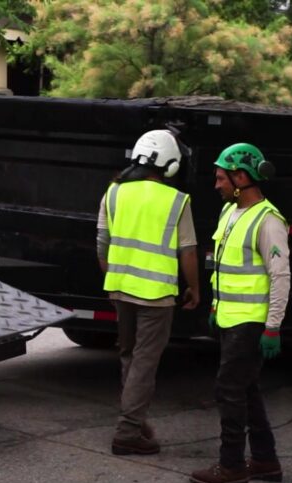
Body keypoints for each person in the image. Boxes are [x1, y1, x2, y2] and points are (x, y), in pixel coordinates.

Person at [190, 143, 289, 483]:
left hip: (251, 321)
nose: (216, 184)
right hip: (230, 317)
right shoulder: (229, 214)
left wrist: (273, 326)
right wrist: (216, 306)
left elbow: (280, 277)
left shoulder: (269, 221)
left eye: (221, 177)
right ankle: (265, 461)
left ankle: (231, 466)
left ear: (241, 177)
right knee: (246, 389)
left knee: (228, 389)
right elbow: (223, 265)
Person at [97, 129, 199, 456]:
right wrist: (194, 288)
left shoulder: (113, 192)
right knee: (144, 362)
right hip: (156, 296)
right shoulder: (176, 200)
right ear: (169, 164)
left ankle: (136, 421)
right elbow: (188, 252)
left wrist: (113, 277)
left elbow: (102, 244)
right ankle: (127, 431)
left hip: (120, 290)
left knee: (129, 356)